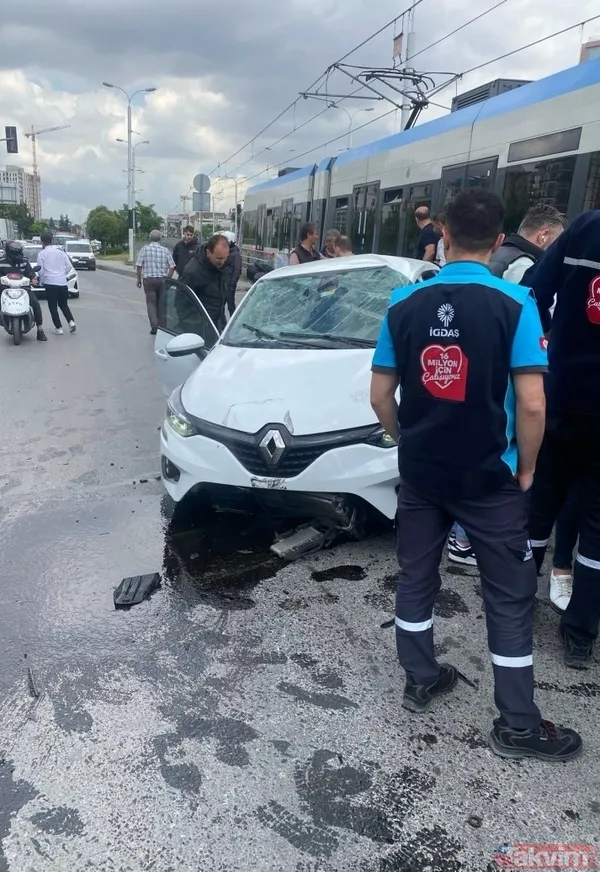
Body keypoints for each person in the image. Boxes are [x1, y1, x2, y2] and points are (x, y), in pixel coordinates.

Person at [370, 188, 581, 762]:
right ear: (496, 241)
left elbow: (380, 394)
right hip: (491, 479)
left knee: (415, 576)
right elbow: (532, 403)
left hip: (422, 473)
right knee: (509, 597)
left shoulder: (402, 303)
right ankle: (516, 724)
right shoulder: (516, 303)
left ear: (441, 233)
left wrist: (403, 439)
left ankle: (420, 677)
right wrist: (529, 467)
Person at [524, 209, 600, 669]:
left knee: (539, 509)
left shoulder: (587, 227)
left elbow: (534, 289)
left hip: (563, 396)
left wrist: (547, 342)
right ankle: (580, 635)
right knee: (596, 525)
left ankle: (513, 609)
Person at [489, 204, 567, 282]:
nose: (558, 247)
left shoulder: (492, 253)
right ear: (543, 236)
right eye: (557, 241)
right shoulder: (526, 266)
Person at [181, 234, 230, 332]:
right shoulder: (192, 271)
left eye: (225, 258)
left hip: (217, 325)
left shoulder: (222, 266)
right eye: (219, 258)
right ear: (208, 252)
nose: (223, 262)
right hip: (199, 329)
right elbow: (181, 305)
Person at [0, 240, 47, 340]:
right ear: (8, 252)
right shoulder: (1, 263)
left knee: (36, 304)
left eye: (18, 252)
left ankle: (40, 330)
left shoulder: (24, 262)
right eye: (14, 252)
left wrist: (33, 279)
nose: (17, 255)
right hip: (5, 290)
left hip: (23, 290)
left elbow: (31, 273)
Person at [136, 230, 175, 335]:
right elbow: (172, 267)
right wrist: (168, 278)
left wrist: (139, 279)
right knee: (161, 304)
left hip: (149, 281)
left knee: (151, 303)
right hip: (162, 280)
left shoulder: (144, 249)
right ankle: (162, 326)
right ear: (160, 239)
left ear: (150, 238)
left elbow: (139, 266)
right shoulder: (165, 250)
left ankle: (154, 326)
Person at [36, 233, 76, 335]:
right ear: (52, 240)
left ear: (42, 242)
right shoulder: (61, 253)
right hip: (62, 282)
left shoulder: (42, 254)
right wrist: (62, 274)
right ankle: (71, 322)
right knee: (63, 305)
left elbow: (40, 270)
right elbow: (69, 266)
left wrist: (42, 280)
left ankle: (59, 328)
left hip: (50, 283)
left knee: (52, 306)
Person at [221, 231, 242, 318]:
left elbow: (237, 270)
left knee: (231, 306)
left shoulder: (235, 254)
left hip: (229, 285)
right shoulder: (225, 252)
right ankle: (221, 325)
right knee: (220, 306)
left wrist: (232, 283)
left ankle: (233, 323)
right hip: (222, 283)